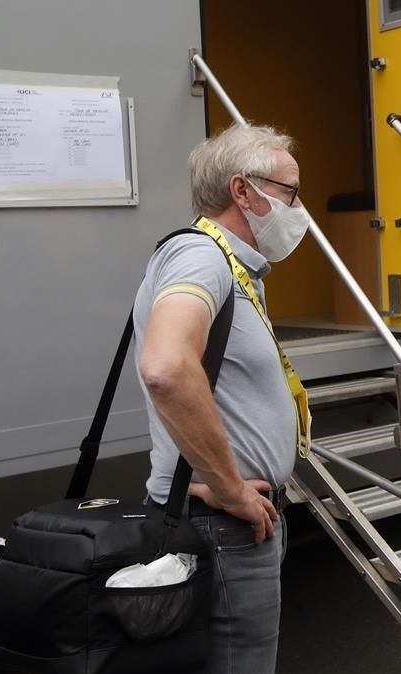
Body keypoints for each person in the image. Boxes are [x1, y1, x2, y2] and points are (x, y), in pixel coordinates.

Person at [134, 124, 313, 673]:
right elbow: (165, 367)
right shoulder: (203, 259)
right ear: (244, 192)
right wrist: (232, 489)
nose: (297, 208)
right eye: (289, 192)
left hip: (232, 524)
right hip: (225, 528)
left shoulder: (229, 265)